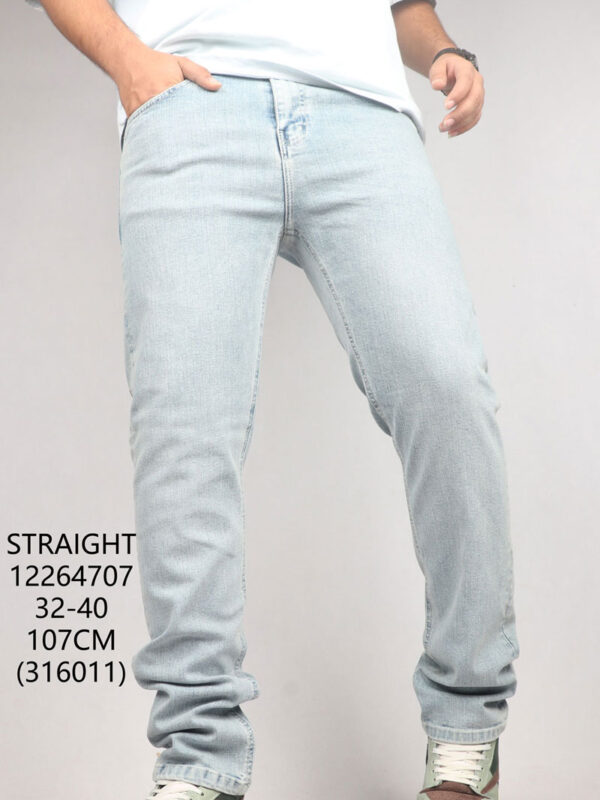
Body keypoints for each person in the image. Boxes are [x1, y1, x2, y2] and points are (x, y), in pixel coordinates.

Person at [24, 0, 520, 798]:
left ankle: (467, 727)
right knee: (183, 426)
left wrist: (442, 51)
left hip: (362, 110)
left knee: (449, 389)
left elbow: (406, 7)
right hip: (193, 100)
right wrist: (129, 62)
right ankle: (198, 756)